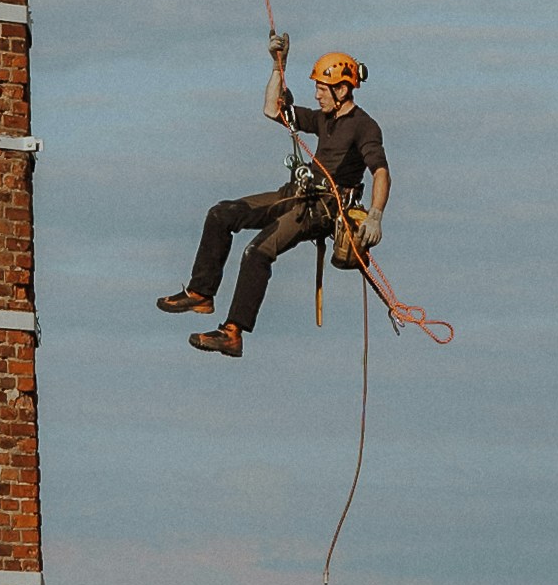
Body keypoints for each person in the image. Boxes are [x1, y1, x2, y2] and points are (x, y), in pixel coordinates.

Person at [158, 33, 390, 357]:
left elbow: (381, 171)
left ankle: (233, 333)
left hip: (320, 210)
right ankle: (201, 293)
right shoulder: (323, 119)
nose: (317, 94)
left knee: (257, 251)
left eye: (322, 89)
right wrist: (277, 65)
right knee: (220, 214)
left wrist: (376, 217)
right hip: (296, 194)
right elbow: (272, 109)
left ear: (341, 89)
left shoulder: (364, 126)